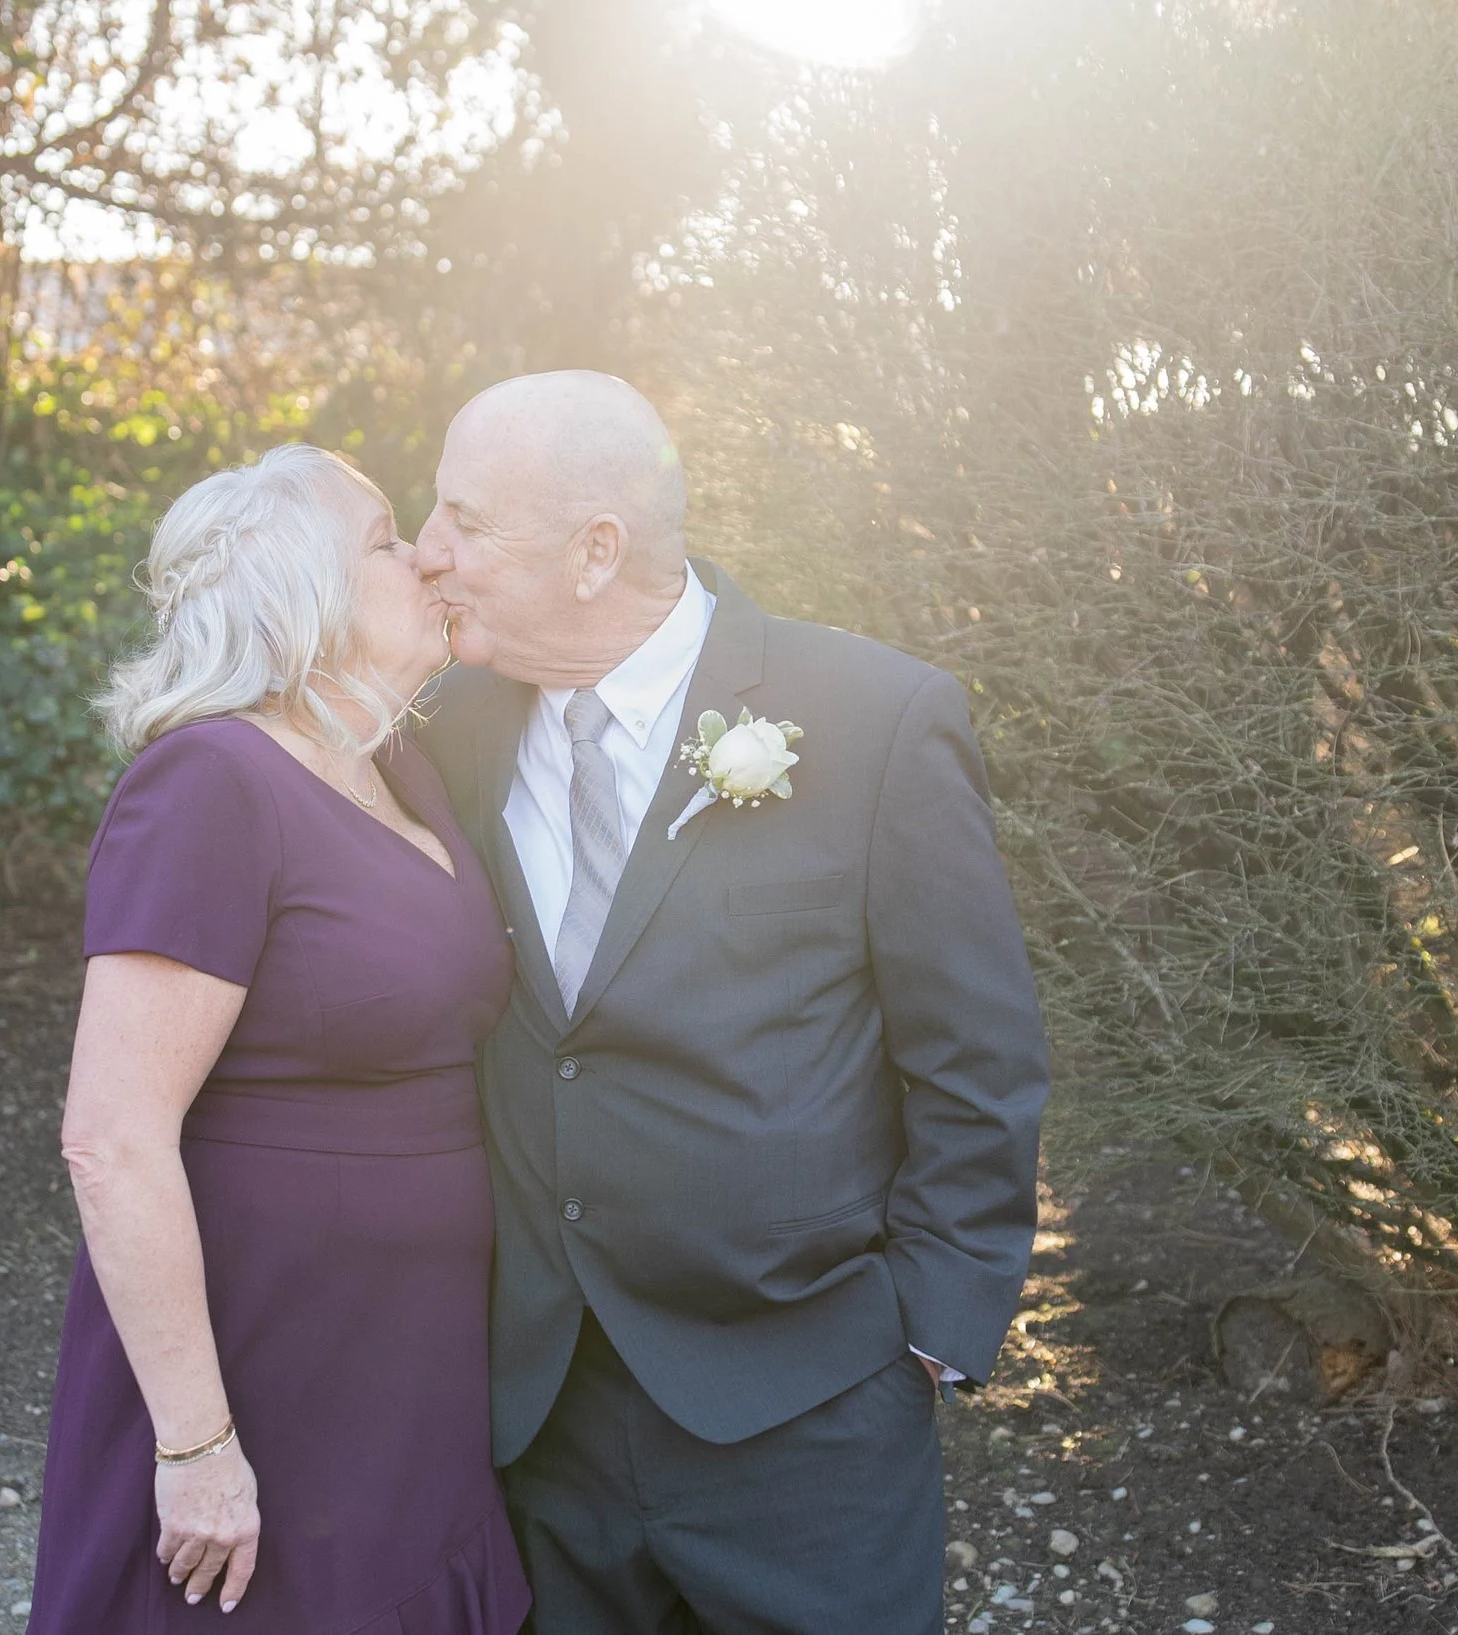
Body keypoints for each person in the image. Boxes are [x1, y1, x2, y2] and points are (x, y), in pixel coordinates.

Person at [413, 371, 1051, 1633]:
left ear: (596, 550)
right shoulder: (447, 730)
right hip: (544, 1404)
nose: (428, 552)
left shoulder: (873, 719)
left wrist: (931, 1325)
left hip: (807, 1403)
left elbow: (977, 1050)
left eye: (464, 521)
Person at [28, 445, 531, 1634]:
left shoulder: (400, 767)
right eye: (384, 537)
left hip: (410, 1364)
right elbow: (111, 1134)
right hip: (265, 1360)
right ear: (295, 587)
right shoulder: (209, 781)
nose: (421, 556)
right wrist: (198, 1442)